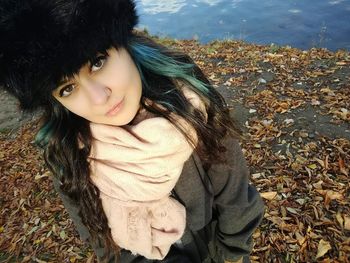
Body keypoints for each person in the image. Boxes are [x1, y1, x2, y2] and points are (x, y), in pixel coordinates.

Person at [0, 0, 265, 262]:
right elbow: (98, 237)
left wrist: (231, 253)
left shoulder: (188, 99)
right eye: (67, 89)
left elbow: (234, 194)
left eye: (97, 62)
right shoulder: (65, 148)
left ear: (124, 43)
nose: (99, 98)